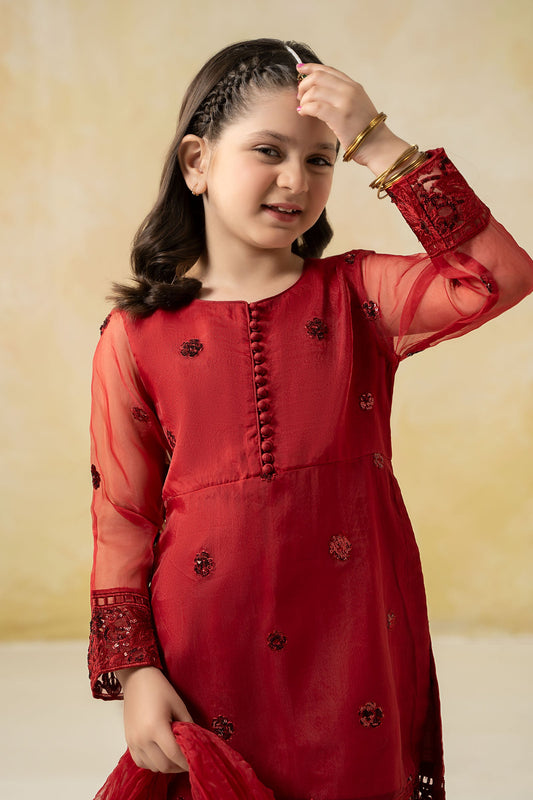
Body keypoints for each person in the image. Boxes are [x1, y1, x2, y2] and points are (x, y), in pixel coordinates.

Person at [88, 37, 533, 800]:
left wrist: (377, 142)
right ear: (196, 162)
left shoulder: (358, 295)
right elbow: (122, 516)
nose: (296, 180)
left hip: (352, 637)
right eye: (268, 151)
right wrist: (135, 673)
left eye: (321, 158)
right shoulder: (136, 335)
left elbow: (497, 276)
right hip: (206, 644)